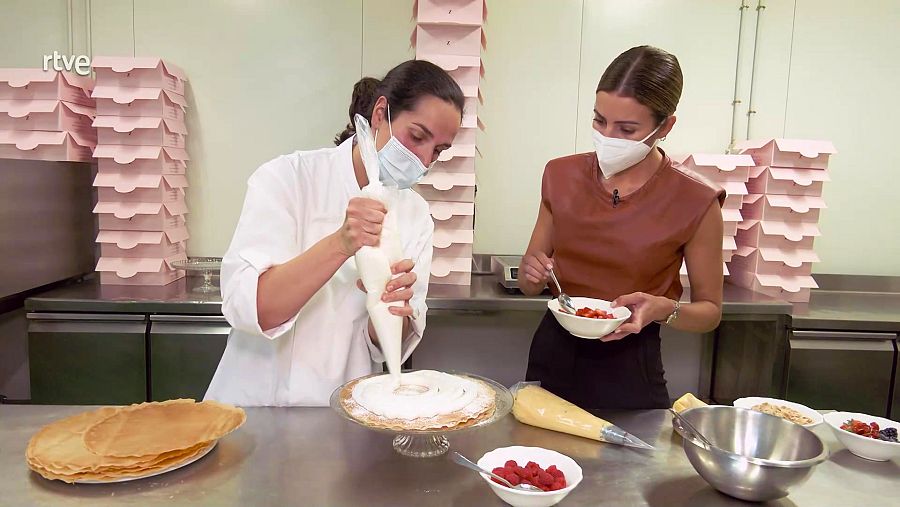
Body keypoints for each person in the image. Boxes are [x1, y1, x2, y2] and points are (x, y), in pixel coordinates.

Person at [205, 60, 464, 406]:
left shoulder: (415, 215)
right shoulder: (288, 178)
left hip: (342, 410)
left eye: (437, 151)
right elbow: (254, 309)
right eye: (417, 137)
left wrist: (392, 308)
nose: (422, 160)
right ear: (380, 113)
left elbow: (386, 347)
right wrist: (341, 243)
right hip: (256, 408)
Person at [518, 46, 725, 409]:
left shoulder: (696, 200)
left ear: (665, 126)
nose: (608, 137)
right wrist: (532, 274)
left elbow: (710, 312)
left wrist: (663, 308)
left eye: (627, 129)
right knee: (541, 460)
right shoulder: (560, 175)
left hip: (630, 361)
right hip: (553, 349)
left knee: (631, 463)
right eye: (600, 121)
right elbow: (528, 281)